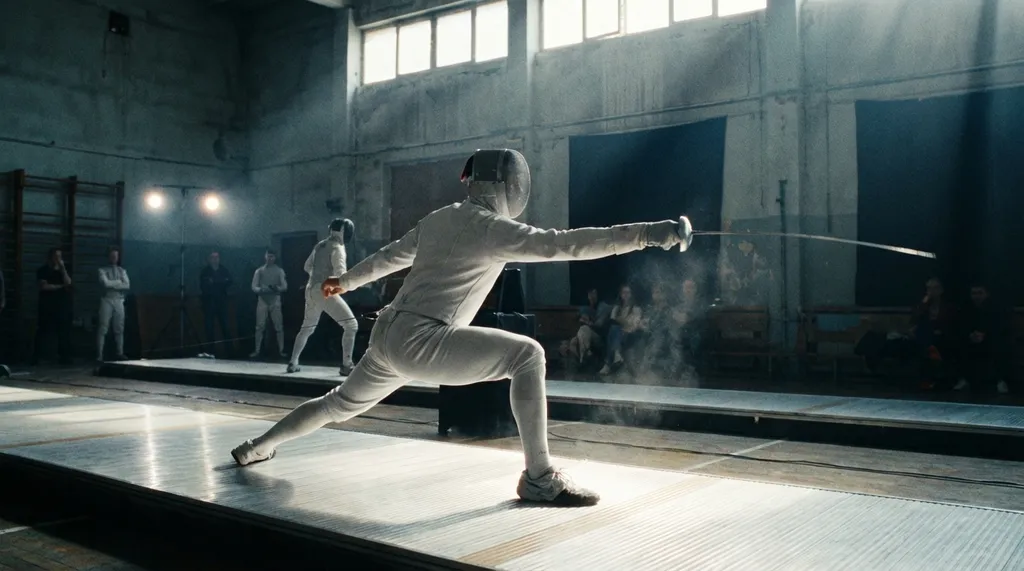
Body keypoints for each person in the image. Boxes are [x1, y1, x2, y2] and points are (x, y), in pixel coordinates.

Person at [230, 149, 690, 507]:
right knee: (527, 355)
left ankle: (256, 446)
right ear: (504, 185)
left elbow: (390, 257)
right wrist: (649, 233)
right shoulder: (493, 229)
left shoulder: (439, 218)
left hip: (387, 332)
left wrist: (345, 282)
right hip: (423, 339)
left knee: (337, 404)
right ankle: (539, 478)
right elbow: (567, 245)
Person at [286, 218, 359, 375]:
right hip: (323, 290)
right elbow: (341, 276)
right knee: (351, 325)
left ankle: (293, 362)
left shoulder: (320, 245)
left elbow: (307, 266)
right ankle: (347, 365)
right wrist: (355, 283)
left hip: (310, 289)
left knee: (307, 328)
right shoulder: (338, 248)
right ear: (345, 232)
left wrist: (318, 277)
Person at [954, 283, 1010, 395]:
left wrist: (985, 335)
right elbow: (962, 326)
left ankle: (1000, 380)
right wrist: (970, 335)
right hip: (971, 339)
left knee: (999, 346)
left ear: (987, 294)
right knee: (959, 345)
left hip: (991, 339)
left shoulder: (996, 308)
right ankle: (964, 379)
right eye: (974, 293)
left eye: (980, 293)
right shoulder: (967, 308)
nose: (976, 296)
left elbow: (1000, 327)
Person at [33, 248, 73, 365]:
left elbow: (68, 283)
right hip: (47, 305)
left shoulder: (64, 270)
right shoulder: (43, 270)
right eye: (56, 256)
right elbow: (44, 286)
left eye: (60, 256)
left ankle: (64, 357)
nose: (58, 259)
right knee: (43, 330)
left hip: (62, 305)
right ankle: (37, 357)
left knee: (63, 331)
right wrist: (60, 287)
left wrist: (63, 269)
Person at [250, 249, 288, 359]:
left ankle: (281, 351)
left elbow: (284, 286)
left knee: (279, 326)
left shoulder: (279, 271)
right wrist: (261, 290)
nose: (270, 258)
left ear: (275, 258)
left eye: (272, 256)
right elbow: (254, 286)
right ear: (265, 256)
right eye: (268, 256)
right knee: (259, 326)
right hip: (262, 300)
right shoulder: (259, 271)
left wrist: (276, 288)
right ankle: (257, 350)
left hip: (275, 300)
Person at [598, 284, 644, 376]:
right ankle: (616, 353)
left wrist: (623, 322)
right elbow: (612, 321)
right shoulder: (616, 308)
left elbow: (635, 324)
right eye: (624, 292)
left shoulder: (636, 309)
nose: (626, 295)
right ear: (620, 294)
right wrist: (623, 322)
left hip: (629, 334)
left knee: (614, 330)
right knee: (614, 329)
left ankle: (608, 363)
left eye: (628, 292)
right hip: (618, 334)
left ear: (631, 294)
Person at [96, 246, 130, 362]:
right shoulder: (102, 270)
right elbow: (105, 284)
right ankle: (99, 355)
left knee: (119, 328)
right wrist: (119, 282)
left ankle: (120, 353)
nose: (114, 258)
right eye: (112, 256)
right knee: (103, 327)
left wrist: (113, 283)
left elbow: (127, 285)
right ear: (108, 257)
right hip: (106, 299)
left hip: (119, 300)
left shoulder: (122, 271)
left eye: (116, 256)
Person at [200, 252, 233, 355]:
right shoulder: (205, 272)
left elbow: (229, 281)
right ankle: (211, 350)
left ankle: (230, 351)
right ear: (209, 259)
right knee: (209, 327)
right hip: (209, 302)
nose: (215, 259)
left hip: (222, 302)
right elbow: (204, 285)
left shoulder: (224, 270)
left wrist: (214, 282)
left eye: (217, 257)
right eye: (212, 257)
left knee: (225, 326)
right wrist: (220, 282)